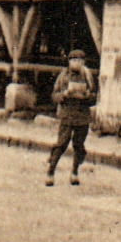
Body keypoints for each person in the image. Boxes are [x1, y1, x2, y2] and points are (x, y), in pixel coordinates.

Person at [45, 50, 96, 187]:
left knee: (79, 145)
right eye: (74, 60)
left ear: (83, 62)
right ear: (69, 62)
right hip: (67, 115)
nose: (76, 63)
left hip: (82, 116)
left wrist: (87, 95)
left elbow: (94, 97)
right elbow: (54, 96)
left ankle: (74, 172)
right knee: (61, 144)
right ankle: (51, 171)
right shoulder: (63, 76)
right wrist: (65, 94)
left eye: (80, 61)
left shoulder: (88, 76)